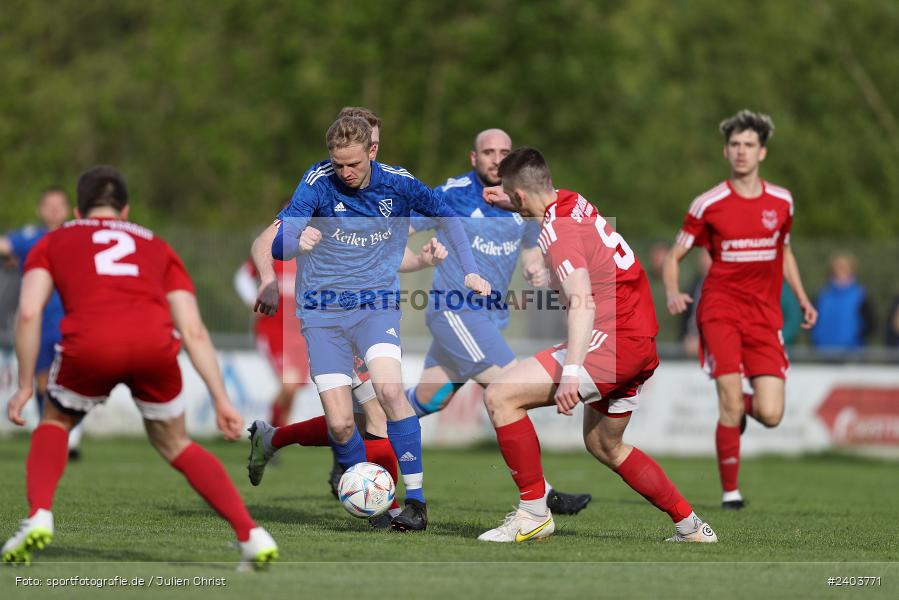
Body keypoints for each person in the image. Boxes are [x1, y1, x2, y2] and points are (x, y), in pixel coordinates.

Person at [249, 125, 592, 517]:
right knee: (511, 389)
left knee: (399, 407)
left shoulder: (517, 202)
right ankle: (539, 495)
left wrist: (538, 272)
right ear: (473, 158)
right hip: (457, 314)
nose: (497, 158)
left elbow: (531, 253)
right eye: (489, 151)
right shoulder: (452, 193)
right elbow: (389, 235)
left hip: (489, 317)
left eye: (504, 151)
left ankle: (283, 438)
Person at [2, 167, 277, 569]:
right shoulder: (158, 246)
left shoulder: (54, 240)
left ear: (78, 209)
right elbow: (193, 330)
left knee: (56, 421)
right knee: (176, 443)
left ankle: (39, 514)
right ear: (125, 210)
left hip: (91, 343)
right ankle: (251, 535)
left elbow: (28, 313)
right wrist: (221, 399)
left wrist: (25, 384)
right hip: (154, 345)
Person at [250, 115, 490, 532]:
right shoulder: (316, 181)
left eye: (353, 164)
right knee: (343, 423)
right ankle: (370, 500)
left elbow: (445, 216)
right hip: (323, 312)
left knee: (389, 394)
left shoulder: (398, 184)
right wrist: (293, 243)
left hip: (375, 306)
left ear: (373, 150)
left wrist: (466, 269)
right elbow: (275, 242)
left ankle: (412, 502)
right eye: (338, 163)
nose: (344, 172)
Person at [477, 147, 717, 543]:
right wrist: (512, 201)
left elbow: (582, 302)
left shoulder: (558, 230)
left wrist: (571, 374)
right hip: (640, 340)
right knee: (605, 444)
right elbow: (544, 207)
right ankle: (691, 527)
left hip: (612, 340)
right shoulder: (573, 201)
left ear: (521, 195)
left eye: (512, 195)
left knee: (501, 395)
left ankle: (534, 514)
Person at [662, 110, 817, 510]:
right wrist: (674, 292)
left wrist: (801, 297)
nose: (741, 152)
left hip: (765, 317)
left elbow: (784, 252)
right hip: (720, 311)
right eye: (734, 145)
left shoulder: (782, 201)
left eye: (749, 145)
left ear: (762, 152)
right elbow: (673, 256)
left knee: (771, 413)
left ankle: (741, 412)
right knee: (728, 401)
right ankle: (731, 492)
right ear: (726, 151)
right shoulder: (708, 204)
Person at [0, 189, 84, 459]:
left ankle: (70, 438)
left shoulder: (79, 235)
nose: (53, 210)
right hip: (40, 320)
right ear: (40, 209)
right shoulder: (30, 238)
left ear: (69, 209)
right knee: (42, 382)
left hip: (75, 316)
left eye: (59, 205)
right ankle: (50, 432)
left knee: (74, 379)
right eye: (48, 205)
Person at [234, 207, 310, 428]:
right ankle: (271, 433)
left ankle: (276, 436)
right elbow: (242, 277)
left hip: (301, 331)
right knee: (289, 384)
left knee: (293, 387)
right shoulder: (273, 249)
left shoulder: (310, 253)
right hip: (274, 328)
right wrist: (253, 301)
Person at [811, 253, 874, 352]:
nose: (841, 270)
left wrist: (856, 339)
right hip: (823, 351)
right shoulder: (822, 294)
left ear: (852, 269)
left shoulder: (861, 295)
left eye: (845, 267)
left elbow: (870, 324)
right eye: (838, 267)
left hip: (853, 352)